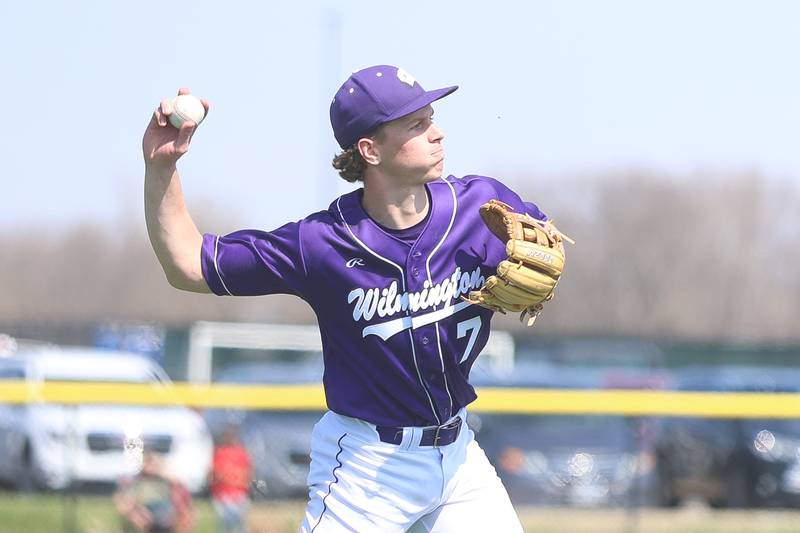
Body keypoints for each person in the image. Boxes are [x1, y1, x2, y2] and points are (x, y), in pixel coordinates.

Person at [143, 65, 551, 532]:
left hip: (459, 459)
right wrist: (162, 167)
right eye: (416, 124)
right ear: (369, 150)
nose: (437, 133)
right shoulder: (321, 243)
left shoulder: (482, 206)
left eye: (431, 117)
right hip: (367, 469)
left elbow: (547, 247)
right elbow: (189, 265)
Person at [113, 451, 194, 533]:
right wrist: (138, 510)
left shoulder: (167, 480)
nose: (150, 468)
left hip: (166, 513)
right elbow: (124, 499)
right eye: (148, 464)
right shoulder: (138, 481)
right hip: (145, 512)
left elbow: (182, 496)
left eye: (153, 464)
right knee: (135, 514)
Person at [210, 427, 253, 533]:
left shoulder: (241, 453)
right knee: (226, 527)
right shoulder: (219, 453)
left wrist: (233, 478)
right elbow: (218, 475)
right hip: (223, 496)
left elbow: (246, 476)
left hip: (240, 496)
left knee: (241, 527)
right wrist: (234, 478)